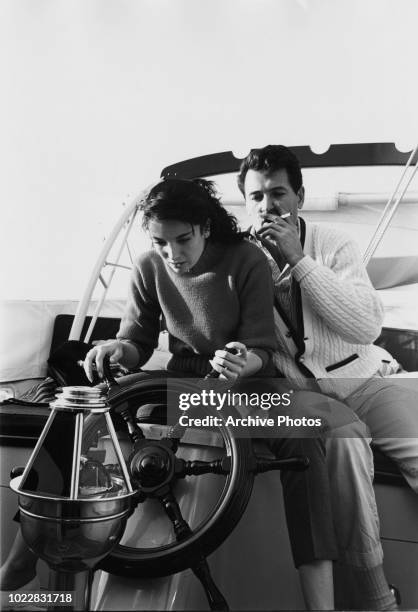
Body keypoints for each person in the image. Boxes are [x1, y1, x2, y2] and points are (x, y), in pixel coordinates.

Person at [3, 178, 340, 611]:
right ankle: (19, 565)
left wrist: (242, 361)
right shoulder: (149, 267)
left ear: (204, 227)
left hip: (250, 385)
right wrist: (114, 349)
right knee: (76, 414)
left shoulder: (247, 260)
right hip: (182, 386)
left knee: (304, 443)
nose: (172, 254)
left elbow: (261, 346)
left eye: (183, 240)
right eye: (161, 243)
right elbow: (137, 344)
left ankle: (322, 606)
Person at [236, 143, 418, 610]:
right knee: (346, 448)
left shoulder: (333, 242)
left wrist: (299, 260)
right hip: (310, 397)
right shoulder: (240, 259)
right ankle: (379, 599)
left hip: (367, 378)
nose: (267, 206)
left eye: (278, 193)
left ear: (299, 195)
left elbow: (365, 326)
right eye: (256, 197)